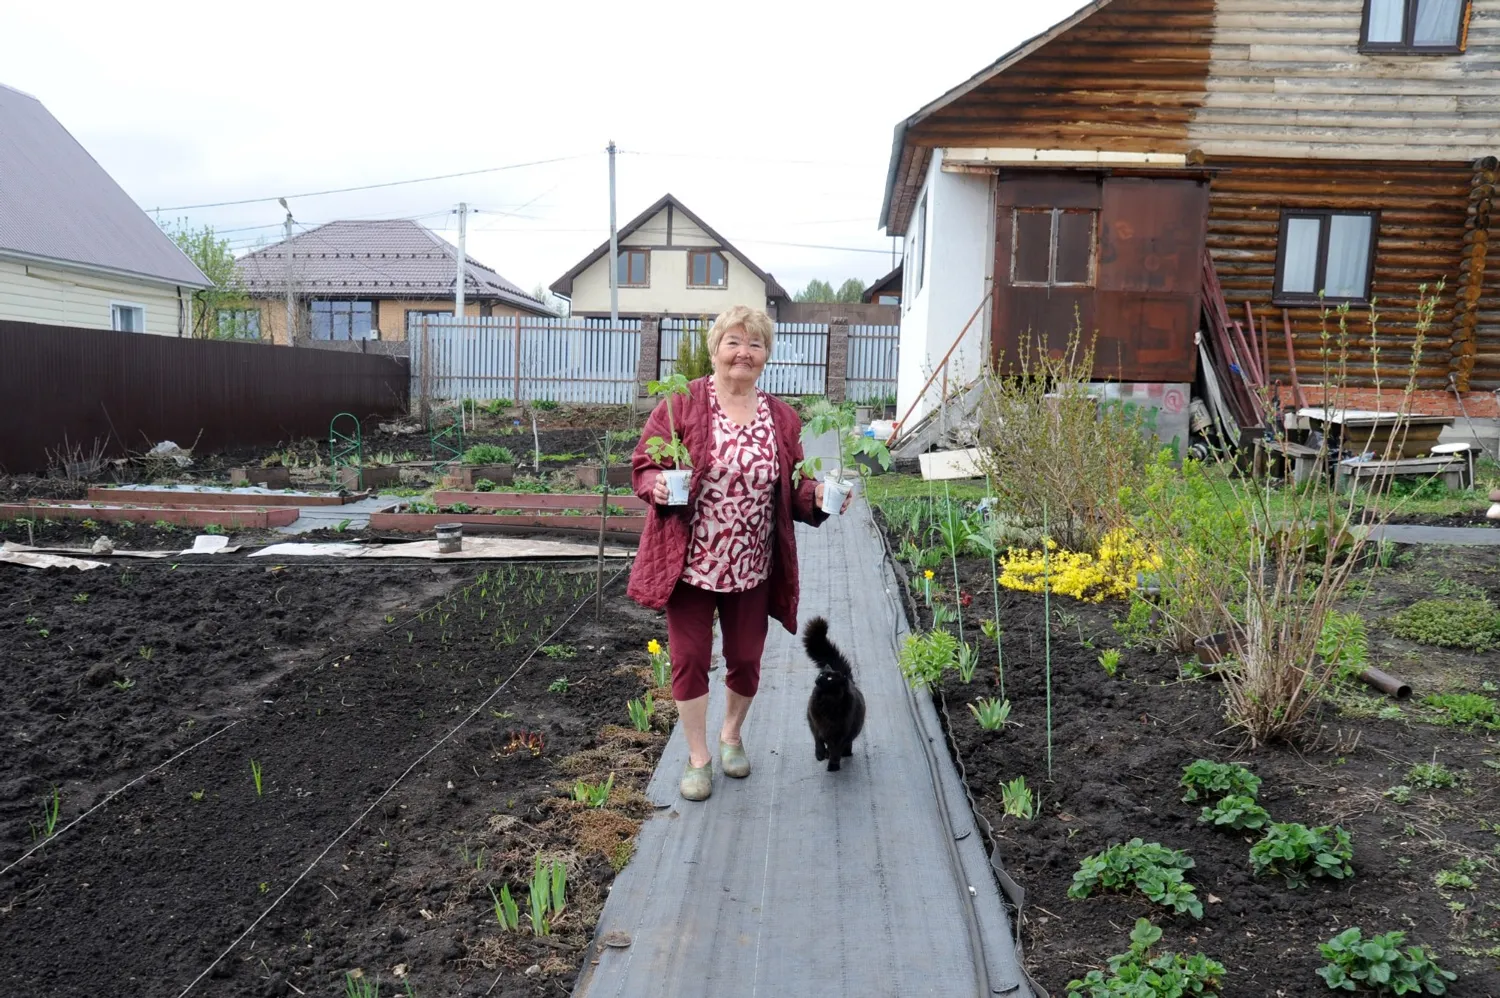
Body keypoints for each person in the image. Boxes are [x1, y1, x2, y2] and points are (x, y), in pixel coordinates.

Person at [627, 305, 849, 801]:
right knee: (688, 658)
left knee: (746, 659)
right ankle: (698, 756)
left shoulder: (782, 416)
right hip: (691, 562)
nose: (743, 353)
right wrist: (657, 485)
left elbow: (794, 485)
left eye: (754, 344)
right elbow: (644, 465)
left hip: (753, 563)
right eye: (733, 342)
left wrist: (819, 495)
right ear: (716, 349)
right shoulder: (681, 405)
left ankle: (731, 734)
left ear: (766, 354)